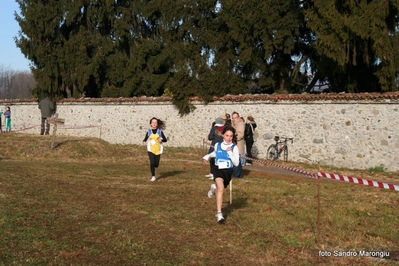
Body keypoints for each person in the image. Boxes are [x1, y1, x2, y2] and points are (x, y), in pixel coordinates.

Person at [202, 126, 239, 223]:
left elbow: (236, 163)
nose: (229, 138)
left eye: (231, 136)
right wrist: (207, 156)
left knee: (220, 189)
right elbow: (215, 153)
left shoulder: (234, 148)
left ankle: (214, 189)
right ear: (223, 135)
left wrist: (230, 152)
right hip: (218, 170)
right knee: (221, 188)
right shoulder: (218, 145)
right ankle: (219, 214)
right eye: (227, 135)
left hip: (228, 171)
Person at [142, 117, 167, 182]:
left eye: (155, 123)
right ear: (150, 124)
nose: (154, 124)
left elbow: (165, 140)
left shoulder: (160, 131)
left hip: (158, 149)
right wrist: (144, 141)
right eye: (152, 122)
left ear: (157, 124)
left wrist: (161, 139)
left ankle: (155, 166)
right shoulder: (149, 132)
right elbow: (145, 139)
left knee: (156, 164)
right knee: (152, 162)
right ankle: (153, 176)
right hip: (150, 148)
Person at [231, 111, 245, 177]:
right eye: (233, 117)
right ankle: (238, 174)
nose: (234, 119)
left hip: (238, 144)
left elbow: (240, 134)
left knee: (237, 161)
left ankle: (237, 175)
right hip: (233, 144)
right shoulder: (232, 123)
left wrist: (233, 138)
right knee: (235, 160)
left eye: (235, 117)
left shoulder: (241, 124)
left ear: (238, 117)